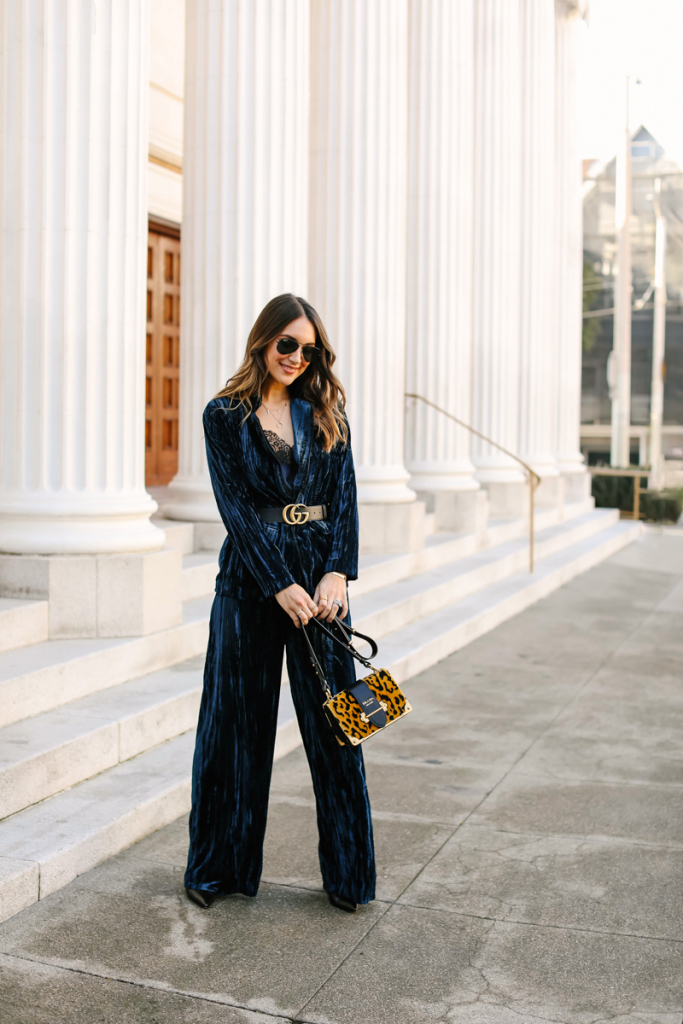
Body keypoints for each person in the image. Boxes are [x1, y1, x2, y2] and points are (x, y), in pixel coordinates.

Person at [183, 293, 375, 913]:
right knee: (231, 733)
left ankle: (350, 875)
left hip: (322, 592)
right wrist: (277, 583)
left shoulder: (328, 411)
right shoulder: (223, 415)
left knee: (343, 728)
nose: (296, 357)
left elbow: (344, 498)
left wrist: (338, 572)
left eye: (308, 348)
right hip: (250, 587)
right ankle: (217, 869)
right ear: (262, 340)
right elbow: (236, 511)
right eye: (286, 343)